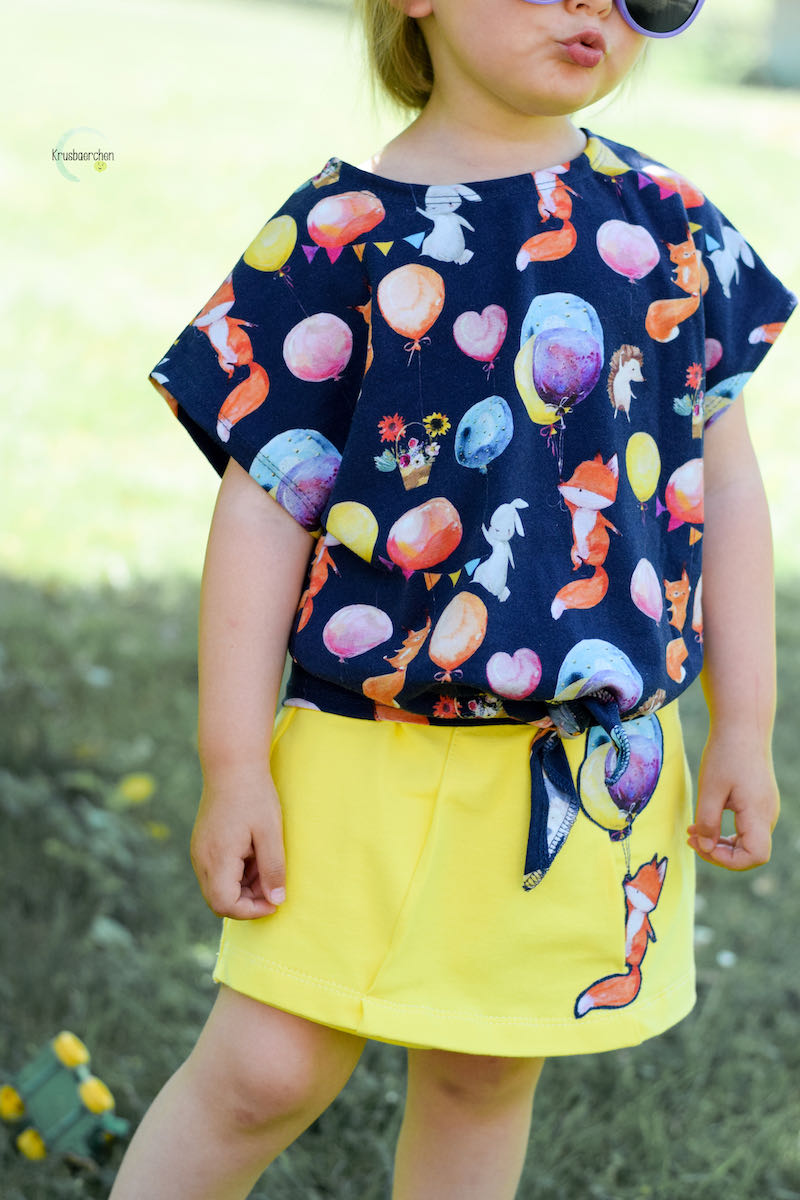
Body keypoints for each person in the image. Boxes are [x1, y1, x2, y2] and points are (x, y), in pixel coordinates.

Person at [111, 2, 797, 1197]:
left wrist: (742, 721)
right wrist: (233, 765)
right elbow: (263, 509)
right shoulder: (337, 235)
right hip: (361, 745)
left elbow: (723, 488)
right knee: (266, 1069)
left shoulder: (669, 225)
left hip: (578, 763)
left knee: (483, 1073)